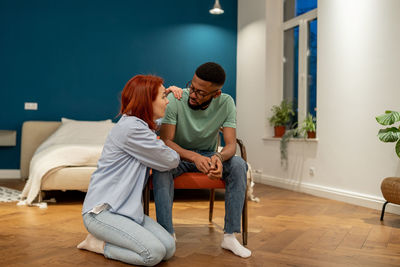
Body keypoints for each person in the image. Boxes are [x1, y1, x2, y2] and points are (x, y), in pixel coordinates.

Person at [77, 75, 182, 266]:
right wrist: (165, 147)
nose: (166, 101)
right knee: (153, 254)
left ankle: (114, 240)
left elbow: (158, 126)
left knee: (169, 248)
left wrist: (172, 96)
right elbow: (171, 160)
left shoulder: (139, 124)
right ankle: (99, 244)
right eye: (162, 97)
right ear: (146, 101)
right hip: (102, 212)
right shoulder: (132, 129)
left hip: (128, 211)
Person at [152, 62, 251, 258]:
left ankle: (230, 236)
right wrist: (193, 157)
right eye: (192, 86)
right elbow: (166, 141)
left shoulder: (226, 102)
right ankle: (167, 234)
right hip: (178, 155)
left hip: (207, 153)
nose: (193, 94)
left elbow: (231, 144)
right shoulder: (177, 99)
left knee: (239, 164)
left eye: (200, 92)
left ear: (215, 94)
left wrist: (218, 157)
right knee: (161, 167)